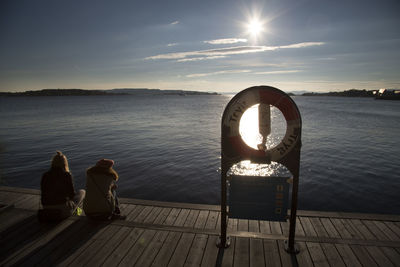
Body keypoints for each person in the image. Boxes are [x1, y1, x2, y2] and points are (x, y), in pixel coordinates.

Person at [40, 151, 85, 221]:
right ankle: (78, 213)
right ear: (65, 163)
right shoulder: (66, 175)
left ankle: (76, 211)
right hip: (62, 212)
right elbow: (71, 195)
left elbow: (43, 192)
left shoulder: (45, 175)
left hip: (46, 209)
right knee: (82, 192)